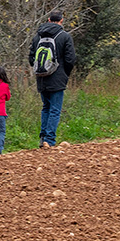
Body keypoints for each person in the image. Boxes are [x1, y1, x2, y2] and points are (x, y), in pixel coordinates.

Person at [29, 9, 76, 148]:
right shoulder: (64, 36)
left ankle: (42, 138)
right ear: (61, 21)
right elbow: (70, 59)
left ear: (48, 20)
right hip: (58, 78)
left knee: (46, 108)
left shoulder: (38, 36)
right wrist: (64, 73)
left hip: (41, 78)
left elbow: (31, 58)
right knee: (55, 109)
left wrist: (40, 70)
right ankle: (49, 140)